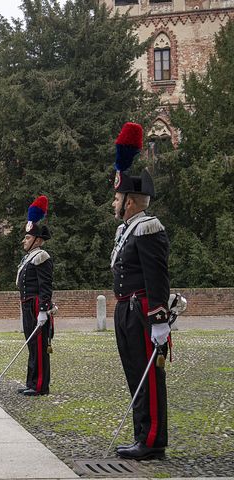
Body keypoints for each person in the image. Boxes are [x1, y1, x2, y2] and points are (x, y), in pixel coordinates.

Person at [111, 122, 170, 460]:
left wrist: (159, 320)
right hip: (127, 309)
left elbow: (157, 276)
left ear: (130, 202)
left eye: (117, 198)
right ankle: (142, 435)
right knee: (136, 373)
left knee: (148, 377)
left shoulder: (148, 227)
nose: (114, 202)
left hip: (142, 311)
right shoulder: (128, 229)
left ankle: (152, 440)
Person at [16, 195, 54, 396]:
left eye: (28, 238)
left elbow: (45, 286)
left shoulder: (41, 256)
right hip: (27, 305)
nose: (24, 240)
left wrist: (43, 311)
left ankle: (40, 385)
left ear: (38, 240)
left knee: (39, 346)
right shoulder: (29, 257)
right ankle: (31, 382)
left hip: (36, 305)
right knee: (31, 344)